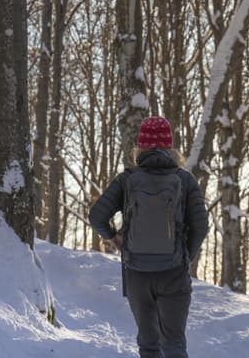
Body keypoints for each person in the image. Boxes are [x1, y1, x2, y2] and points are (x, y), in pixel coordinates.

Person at [89, 116, 208, 358]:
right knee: (174, 343)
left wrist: (114, 238)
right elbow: (201, 226)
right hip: (173, 272)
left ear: (140, 147)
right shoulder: (185, 180)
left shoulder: (127, 180)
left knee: (148, 344)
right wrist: (185, 256)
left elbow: (97, 216)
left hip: (137, 273)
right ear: (170, 147)